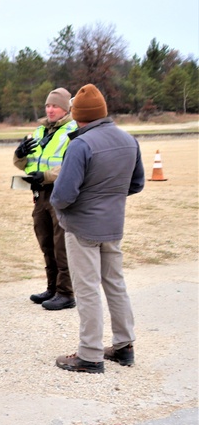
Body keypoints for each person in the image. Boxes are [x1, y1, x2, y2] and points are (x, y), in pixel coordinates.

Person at [50, 84, 145, 373]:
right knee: (115, 284)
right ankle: (124, 345)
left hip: (82, 227)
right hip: (113, 225)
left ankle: (90, 354)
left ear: (77, 114)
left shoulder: (81, 144)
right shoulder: (129, 140)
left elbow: (63, 194)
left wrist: (61, 208)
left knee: (87, 288)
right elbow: (137, 184)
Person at [13, 88, 78, 310]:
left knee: (61, 245)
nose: (50, 110)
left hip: (59, 193)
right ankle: (52, 288)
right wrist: (19, 154)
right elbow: (27, 162)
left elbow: (74, 166)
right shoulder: (40, 131)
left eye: (55, 106)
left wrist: (47, 176)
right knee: (46, 243)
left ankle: (66, 293)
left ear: (66, 108)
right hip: (39, 195)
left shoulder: (73, 130)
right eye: (48, 106)